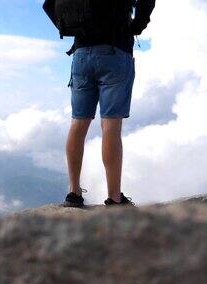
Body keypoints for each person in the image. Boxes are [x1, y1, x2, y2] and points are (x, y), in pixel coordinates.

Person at [54, 0, 156, 208]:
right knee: (111, 124)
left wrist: (70, 25)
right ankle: (115, 198)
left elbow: (50, 4)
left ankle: (73, 193)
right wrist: (137, 25)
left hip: (81, 54)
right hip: (115, 51)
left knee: (78, 122)